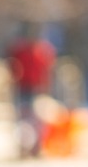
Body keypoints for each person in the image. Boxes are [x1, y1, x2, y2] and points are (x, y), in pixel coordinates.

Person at [6, 24, 55, 159]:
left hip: (37, 88)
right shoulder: (21, 51)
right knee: (24, 120)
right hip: (23, 87)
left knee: (37, 120)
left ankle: (36, 147)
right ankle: (23, 147)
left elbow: (47, 69)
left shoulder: (41, 51)